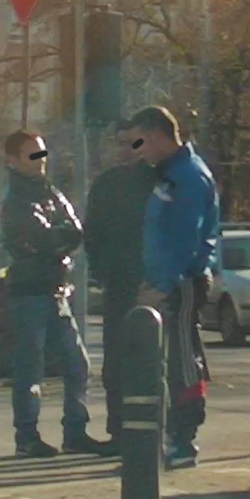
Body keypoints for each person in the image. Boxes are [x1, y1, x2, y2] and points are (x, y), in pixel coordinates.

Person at [0, 131, 108, 458]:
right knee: (30, 367)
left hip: (55, 289)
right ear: (13, 160)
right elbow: (43, 237)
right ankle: (26, 436)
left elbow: (75, 228)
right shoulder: (15, 198)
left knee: (77, 364)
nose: (40, 161)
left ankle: (75, 431)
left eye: (42, 154)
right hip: (28, 291)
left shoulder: (49, 190)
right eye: (32, 155)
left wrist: (59, 238)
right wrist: (57, 239)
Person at [128, 105, 220, 469]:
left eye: (141, 142)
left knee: (183, 361)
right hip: (166, 280)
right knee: (176, 360)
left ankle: (184, 440)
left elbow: (186, 238)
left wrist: (163, 285)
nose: (139, 150)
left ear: (156, 136)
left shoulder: (188, 176)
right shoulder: (171, 173)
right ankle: (174, 436)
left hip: (180, 283)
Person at [84, 120, 159, 449]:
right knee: (115, 360)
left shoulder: (159, 180)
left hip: (152, 283)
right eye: (120, 143)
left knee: (152, 358)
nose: (125, 150)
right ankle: (118, 429)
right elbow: (92, 232)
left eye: (132, 143)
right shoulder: (107, 183)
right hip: (118, 283)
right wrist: (103, 271)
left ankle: (153, 428)